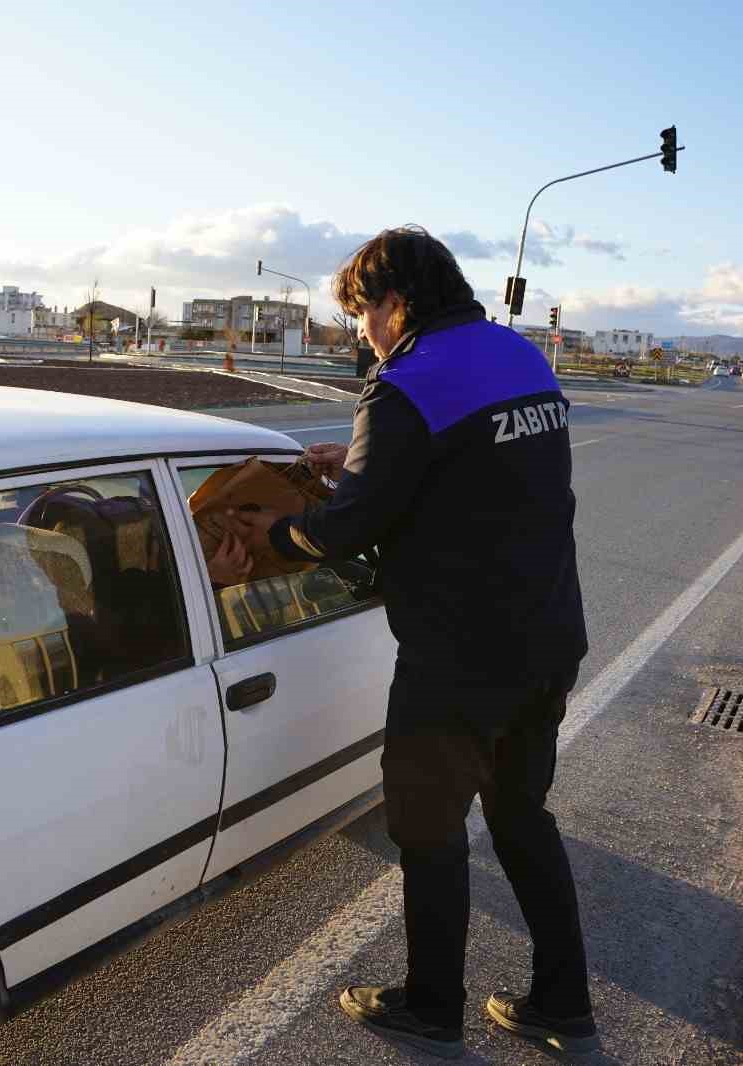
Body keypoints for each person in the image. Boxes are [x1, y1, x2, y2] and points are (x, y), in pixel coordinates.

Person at [228, 226, 595, 1058]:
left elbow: (348, 529)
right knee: (520, 816)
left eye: (363, 314)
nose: (363, 331)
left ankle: (431, 1008)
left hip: (458, 660)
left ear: (396, 304)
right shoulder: (520, 359)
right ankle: (562, 1002)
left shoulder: (406, 386)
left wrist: (276, 533)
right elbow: (464, 481)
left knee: (427, 833)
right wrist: (357, 467)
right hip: (547, 636)